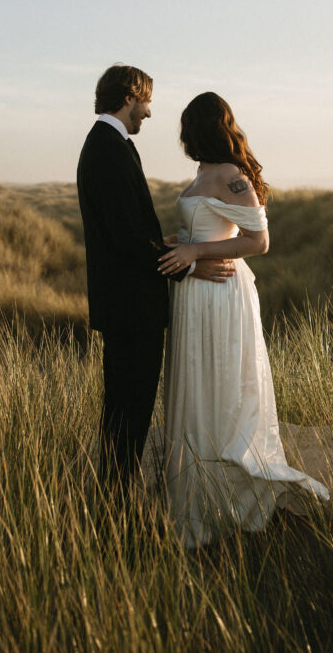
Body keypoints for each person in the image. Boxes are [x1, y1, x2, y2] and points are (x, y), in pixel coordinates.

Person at [159, 92, 329, 547]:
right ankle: (191, 498)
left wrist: (197, 250)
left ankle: (229, 498)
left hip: (220, 295)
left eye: (187, 126)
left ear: (202, 127)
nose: (183, 135)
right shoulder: (201, 174)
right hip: (192, 294)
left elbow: (258, 241)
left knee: (220, 388)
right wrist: (185, 241)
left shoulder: (233, 176)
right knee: (194, 385)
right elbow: (208, 230)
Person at [77, 66, 236, 496]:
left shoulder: (108, 144)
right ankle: (114, 506)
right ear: (129, 97)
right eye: (146, 102)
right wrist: (187, 262)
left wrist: (158, 242)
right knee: (129, 414)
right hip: (131, 310)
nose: (148, 112)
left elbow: (125, 231)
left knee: (124, 412)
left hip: (127, 306)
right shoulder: (109, 148)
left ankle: (113, 497)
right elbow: (126, 239)